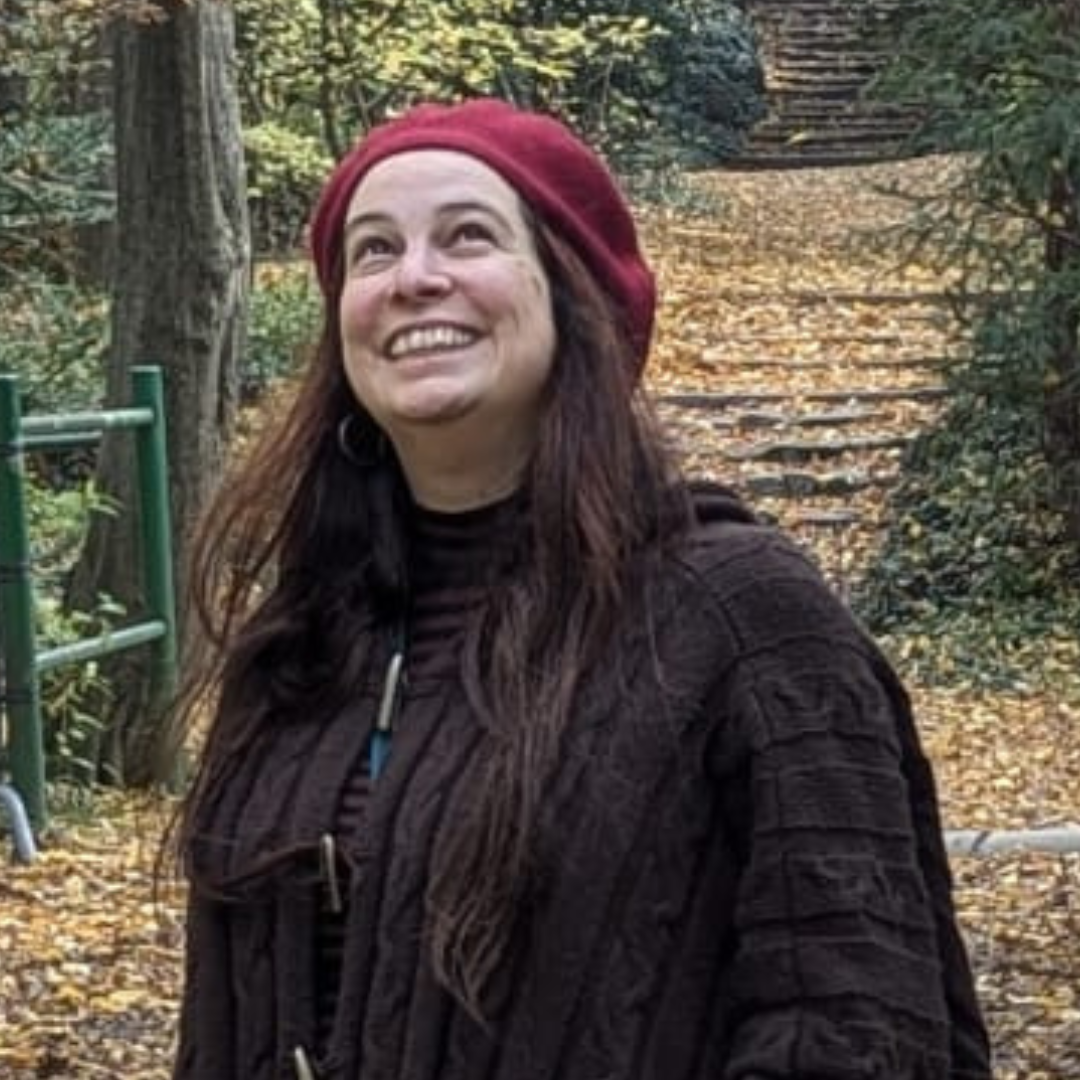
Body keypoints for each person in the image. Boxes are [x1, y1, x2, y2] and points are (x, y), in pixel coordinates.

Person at [171, 98, 993, 1080]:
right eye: (374, 250)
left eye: (468, 235)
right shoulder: (302, 644)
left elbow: (859, 1024)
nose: (414, 278)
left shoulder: (740, 619)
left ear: (574, 293)